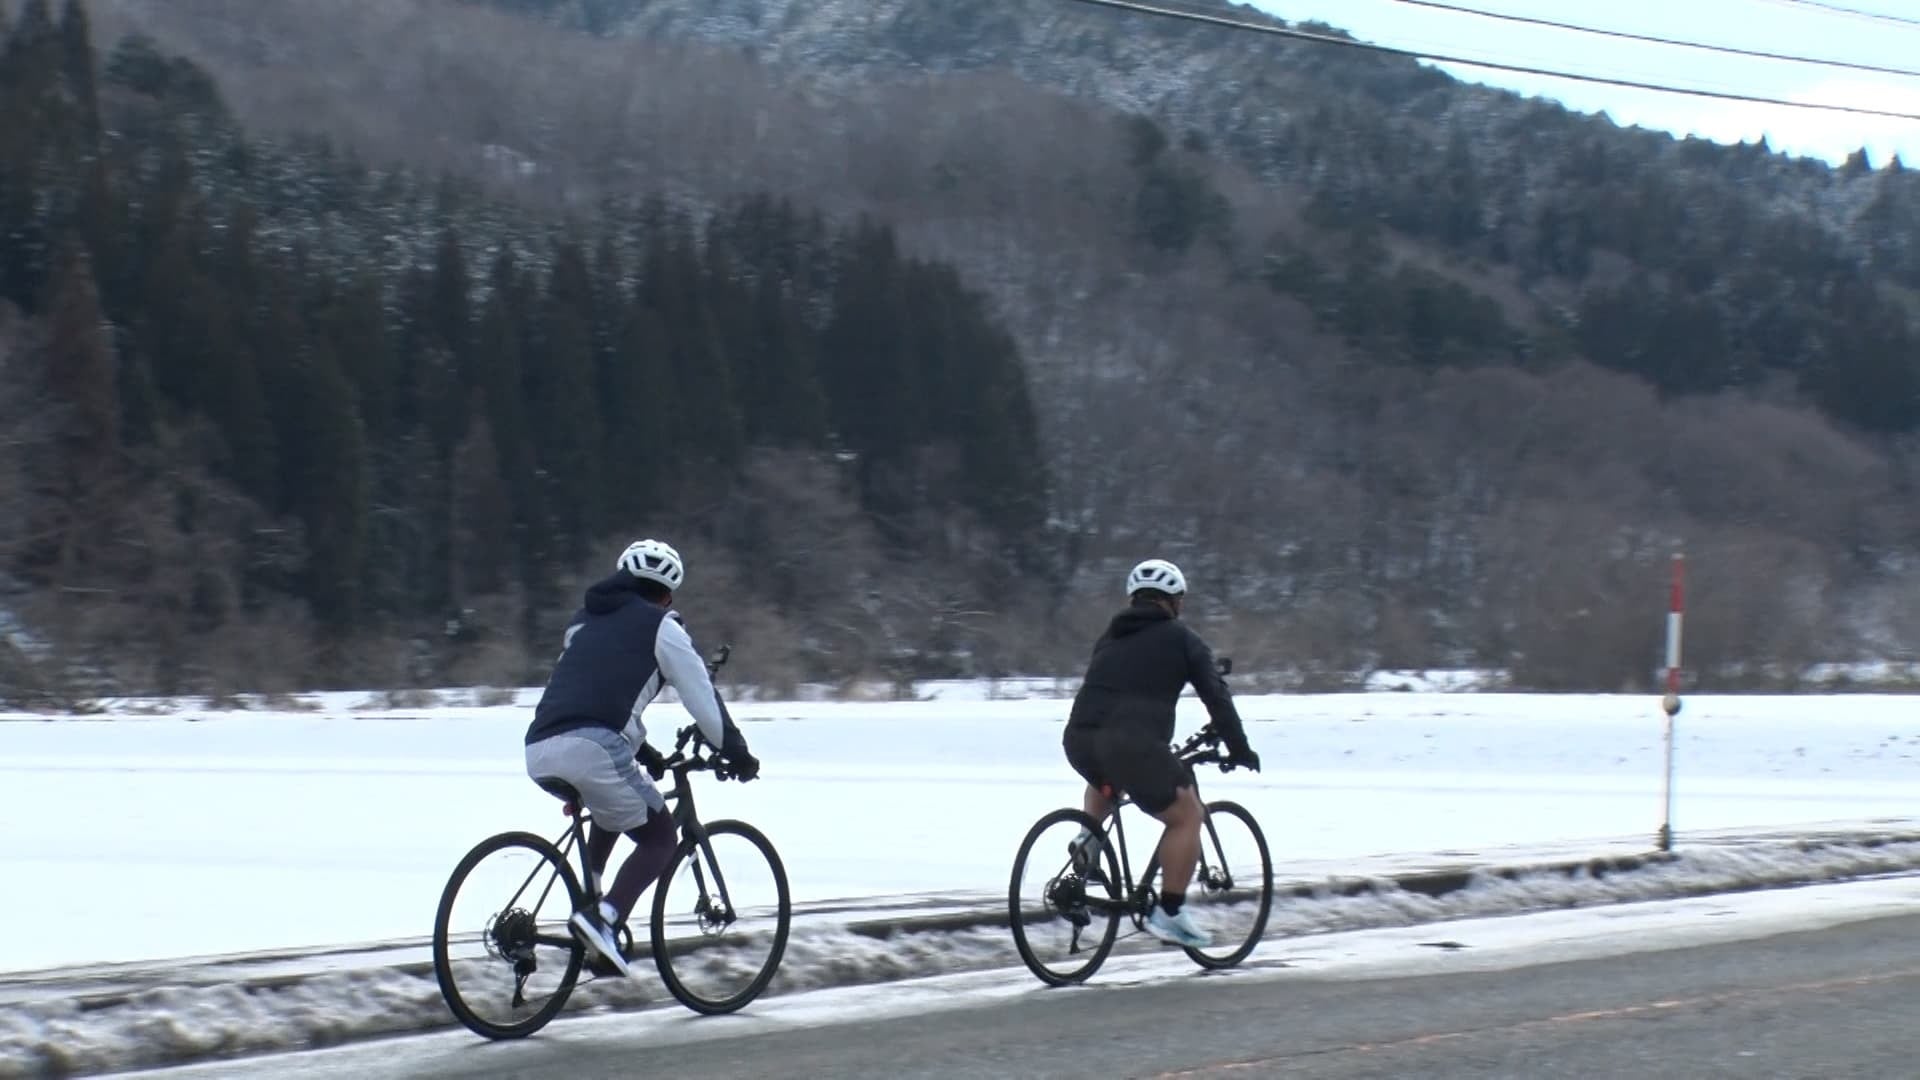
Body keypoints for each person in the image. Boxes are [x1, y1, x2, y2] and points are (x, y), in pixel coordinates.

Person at [523, 538, 760, 975]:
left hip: (538, 747)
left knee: (614, 804)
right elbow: (701, 696)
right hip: (593, 746)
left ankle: (590, 901)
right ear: (667, 595)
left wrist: (643, 749)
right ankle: (603, 919)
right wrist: (737, 752)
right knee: (661, 838)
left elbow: (590, 693)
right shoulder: (662, 625)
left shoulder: (582, 623)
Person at [1062, 557, 1260, 949]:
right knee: (1187, 815)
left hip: (1080, 740)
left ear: (1134, 599)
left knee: (1107, 778)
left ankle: (1089, 841)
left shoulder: (1110, 637)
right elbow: (1216, 697)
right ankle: (1169, 912)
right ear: (1173, 601)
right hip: (1132, 745)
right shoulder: (1182, 639)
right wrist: (1239, 748)